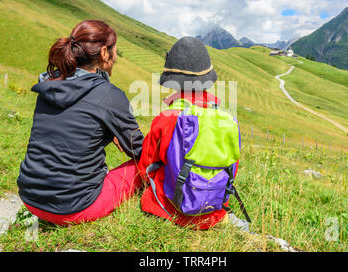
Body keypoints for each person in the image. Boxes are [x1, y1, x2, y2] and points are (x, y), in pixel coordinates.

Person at [17, 20, 144, 225]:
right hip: (74, 207)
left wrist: (109, 131)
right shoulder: (108, 95)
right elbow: (139, 150)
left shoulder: (49, 84)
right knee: (144, 166)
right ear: (104, 52)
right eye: (114, 52)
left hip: (30, 197)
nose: (115, 58)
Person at [136, 36, 240, 230]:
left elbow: (145, 166)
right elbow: (232, 167)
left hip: (167, 210)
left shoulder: (168, 117)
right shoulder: (226, 118)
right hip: (213, 213)